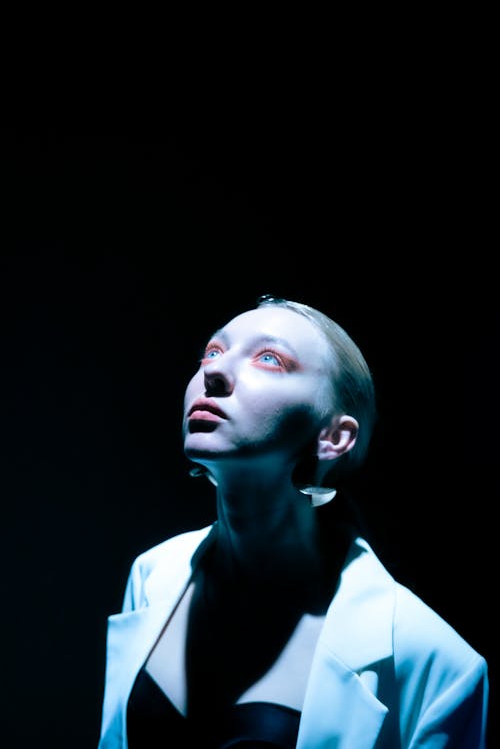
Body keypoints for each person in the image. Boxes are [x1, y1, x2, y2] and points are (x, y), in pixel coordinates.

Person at [97, 294, 489, 748]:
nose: (214, 372)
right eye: (212, 351)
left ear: (335, 437)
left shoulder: (432, 660)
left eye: (269, 358)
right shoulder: (152, 576)